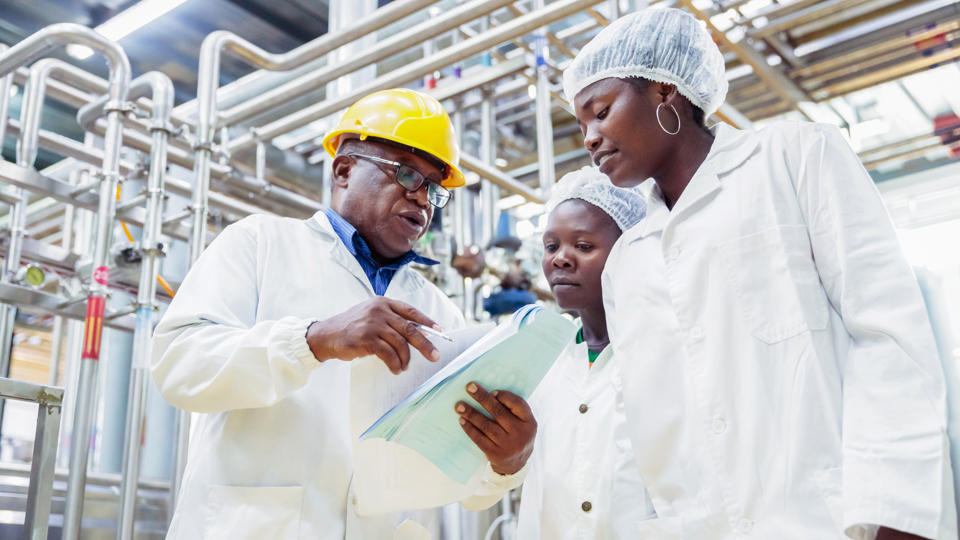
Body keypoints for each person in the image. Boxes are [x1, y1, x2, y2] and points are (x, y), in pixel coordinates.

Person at [563, 8, 957, 540]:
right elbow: (639, 433)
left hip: (827, 521)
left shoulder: (796, 159)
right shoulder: (628, 261)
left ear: (664, 91)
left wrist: (896, 513)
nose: (589, 137)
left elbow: (888, 335)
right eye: (580, 124)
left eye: (601, 111)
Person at [151, 89, 534, 540]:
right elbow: (178, 365)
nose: (423, 200)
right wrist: (314, 341)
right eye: (408, 174)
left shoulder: (439, 312)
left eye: (433, 189)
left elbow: (462, 482)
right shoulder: (259, 244)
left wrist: (505, 464)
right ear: (344, 170)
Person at [514, 166, 654, 539]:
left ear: (629, 250)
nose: (560, 258)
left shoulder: (660, 352)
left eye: (583, 246)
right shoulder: (542, 364)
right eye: (551, 246)